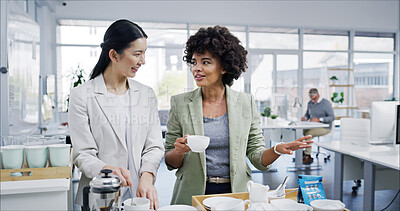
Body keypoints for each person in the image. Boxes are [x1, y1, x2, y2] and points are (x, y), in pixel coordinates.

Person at [164, 25, 313, 205]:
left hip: (236, 194)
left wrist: (276, 150)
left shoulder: (245, 103)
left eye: (205, 62)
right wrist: (179, 151)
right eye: (194, 62)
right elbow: (170, 161)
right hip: (192, 193)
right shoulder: (180, 103)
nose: (197, 68)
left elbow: (257, 158)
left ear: (224, 68)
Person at [68, 19, 164, 210]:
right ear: (113, 55)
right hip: (100, 196)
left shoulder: (146, 94)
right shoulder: (81, 95)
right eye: (137, 54)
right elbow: (82, 154)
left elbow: (154, 146)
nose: (142, 61)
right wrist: (107, 170)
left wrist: (147, 176)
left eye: (144, 54)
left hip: (140, 196)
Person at [301, 88, 335, 164]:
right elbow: (307, 114)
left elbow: (332, 117)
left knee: (308, 134)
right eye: (311, 99)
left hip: (325, 128)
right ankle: (303, 152)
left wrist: (319, 119)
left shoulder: (325, 103)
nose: (313, 101)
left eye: (314, 99)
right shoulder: (310, 103)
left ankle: (307, 155)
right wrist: (305, 118)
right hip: (313, 126)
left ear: (318, 95)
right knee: (302, 132)